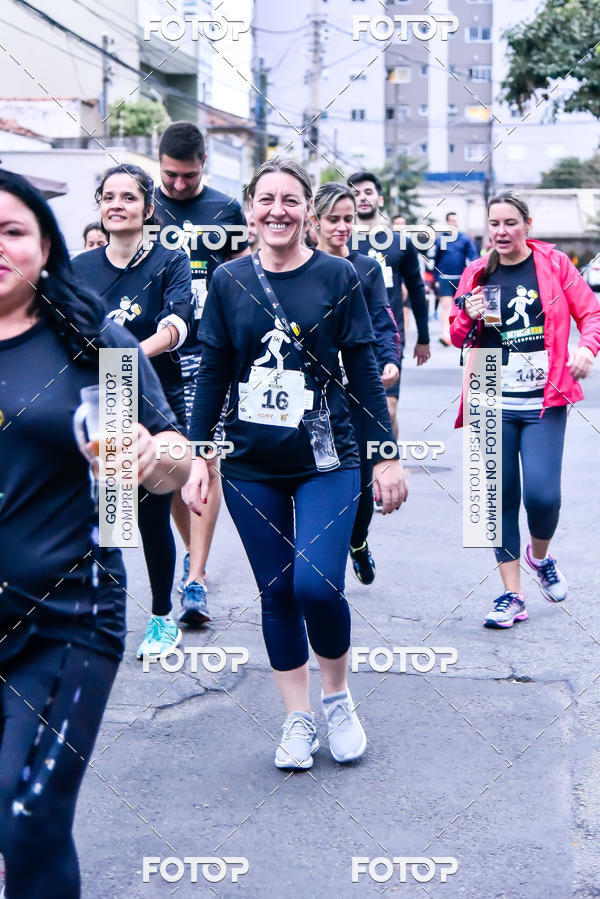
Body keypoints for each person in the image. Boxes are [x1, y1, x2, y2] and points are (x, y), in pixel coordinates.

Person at [0, 169, 190, 898]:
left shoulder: (91, 339)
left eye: (13, 230)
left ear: (45, 247)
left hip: (65, 616)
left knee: (28, 814)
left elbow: (174, 457)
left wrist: (153, 455)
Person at [184, 159, 407, 770]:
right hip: (253, 462)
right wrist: (201, 453)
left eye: (289, 199)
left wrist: (385, 454)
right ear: (250, 210)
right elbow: (213, 372)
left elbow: (363, 368)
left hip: (328, 458)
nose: (277, 210)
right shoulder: (229, 281)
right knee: (278, 589)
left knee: (316, 584)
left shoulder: (338, 276)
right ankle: (296, 718)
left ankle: (336, 698)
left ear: (307, 209)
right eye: (265, 200)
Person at [450, 191, 600, 628]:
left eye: (510, 223)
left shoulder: (553, 266)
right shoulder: (477, 273)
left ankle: (540, 555)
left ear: (527, 225)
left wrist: (587, 348)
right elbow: (459, 336)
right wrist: (469, 314)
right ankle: (511, 594)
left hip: (543, 399)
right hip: (489, 393)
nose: (501, 231)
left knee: (542, 496)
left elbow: (590, 313)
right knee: (498, 500)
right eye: (494, 224)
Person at [73, 164, 194, 659]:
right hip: (95, 404)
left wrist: (127, 356)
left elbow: (178, 323)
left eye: (128, 196)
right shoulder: (78, 267)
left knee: (149, 513)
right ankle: (93, 615)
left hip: (153, 404)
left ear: (148, 208)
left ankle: (163, 617)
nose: (116, 204)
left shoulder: (169, 261)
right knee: (100, 514)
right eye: (108, 196)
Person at [154, 121, 250, 624]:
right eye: (170, 175)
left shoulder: (225, 209)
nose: (177, 185)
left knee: (204, 459)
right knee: (173, 469)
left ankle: (195, 578)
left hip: (211, 355)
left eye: (188, 177)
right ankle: (192, 549)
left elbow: (240, 280)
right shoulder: (145, 204)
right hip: (156, 356)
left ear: (203, 166)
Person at [311, 181, 401, 585]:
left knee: (361, 484)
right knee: (318, 475)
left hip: (359, 389)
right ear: (314, 222)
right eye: (334, 219)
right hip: (316, 395)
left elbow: (383, 321)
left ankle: (358, 541)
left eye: (348, 219)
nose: (342, 227)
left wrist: (389, 360)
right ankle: (317, 561)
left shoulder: (366, 268)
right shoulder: (302, 266)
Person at [347, 171, 430, 441]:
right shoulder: (339, 243)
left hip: (387, 337)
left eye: (368, 192)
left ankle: (389, 462)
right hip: (348, 337)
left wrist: (424, 338)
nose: (362, 197)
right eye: (356, 193)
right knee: (354, 412)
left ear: (379, 199)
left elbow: (417, 292)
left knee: (388, 410)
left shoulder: (400, 244)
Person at [435, 211, 478, 346]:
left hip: (460, 278)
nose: (454, 223)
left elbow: (473, 258)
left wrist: (474, 275)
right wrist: (435, 279)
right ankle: (445, 334)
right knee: (445, 306)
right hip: (444, 277)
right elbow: (435, 261)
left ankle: (458, 332)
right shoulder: (440, 240)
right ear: (447, 223)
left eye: (456, 221)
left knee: (460, 307)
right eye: (452, 221)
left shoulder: (465, 239)